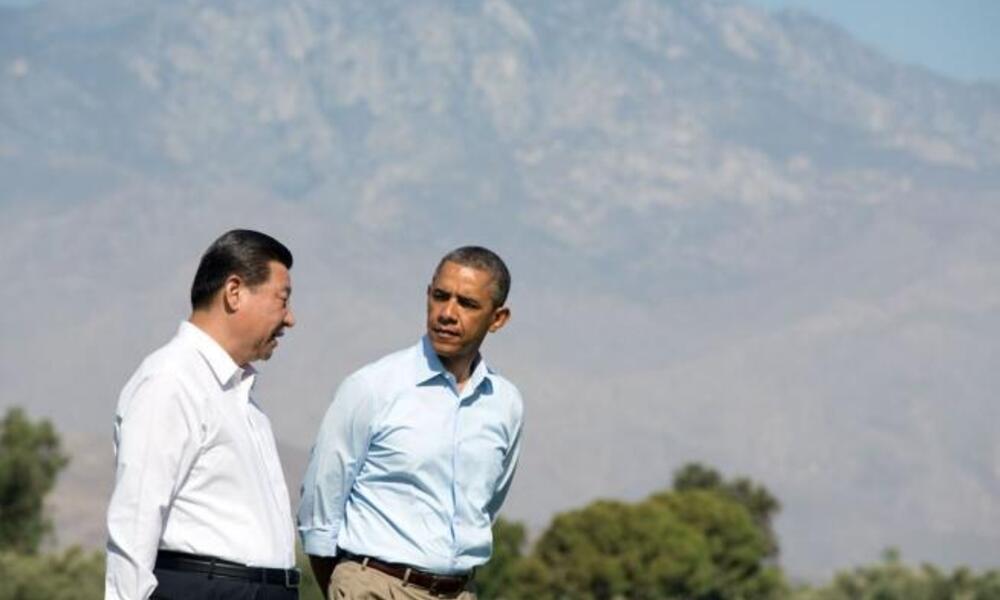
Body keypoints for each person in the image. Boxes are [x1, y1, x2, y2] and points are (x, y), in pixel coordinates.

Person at [298, 246, 523, 600]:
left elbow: (486, 507)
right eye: (440, 296)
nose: (447, 313)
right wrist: (348, 587)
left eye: (467, 303)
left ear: (498, 319)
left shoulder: (505, 403)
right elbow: (320, 506)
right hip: (374, 586)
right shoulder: (372, 387)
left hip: (461, 592)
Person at [105, 229, 300, 600]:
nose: (290, 319)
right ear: (234, 292)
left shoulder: (239, 395)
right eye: (282, 299)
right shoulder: (171, 381)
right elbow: (135, 521)